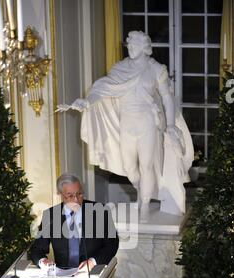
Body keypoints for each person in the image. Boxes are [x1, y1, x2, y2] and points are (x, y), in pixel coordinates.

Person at [58, 31, 194, 221]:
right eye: (128, 44)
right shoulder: (120, 68)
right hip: (127, 122)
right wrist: (87, 101)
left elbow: (167, 98)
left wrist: (170, 125)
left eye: (133, 44)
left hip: (147, 122)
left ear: (144, 46)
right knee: (130, 166)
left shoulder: (156, 69)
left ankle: (145, 204)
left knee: (146, 166)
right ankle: (142, 190)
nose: (129, 47)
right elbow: (104, 88)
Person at [30, 173, 119, 271]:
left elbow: (112, 244)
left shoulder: (100, 211)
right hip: (63, 276)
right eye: (70, 195)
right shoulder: (51, 215)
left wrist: (93, 262)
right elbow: (37, 249)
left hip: (94, 272)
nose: (76, 199)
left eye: (79, 194)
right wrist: (43, 261)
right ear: (60, 195)